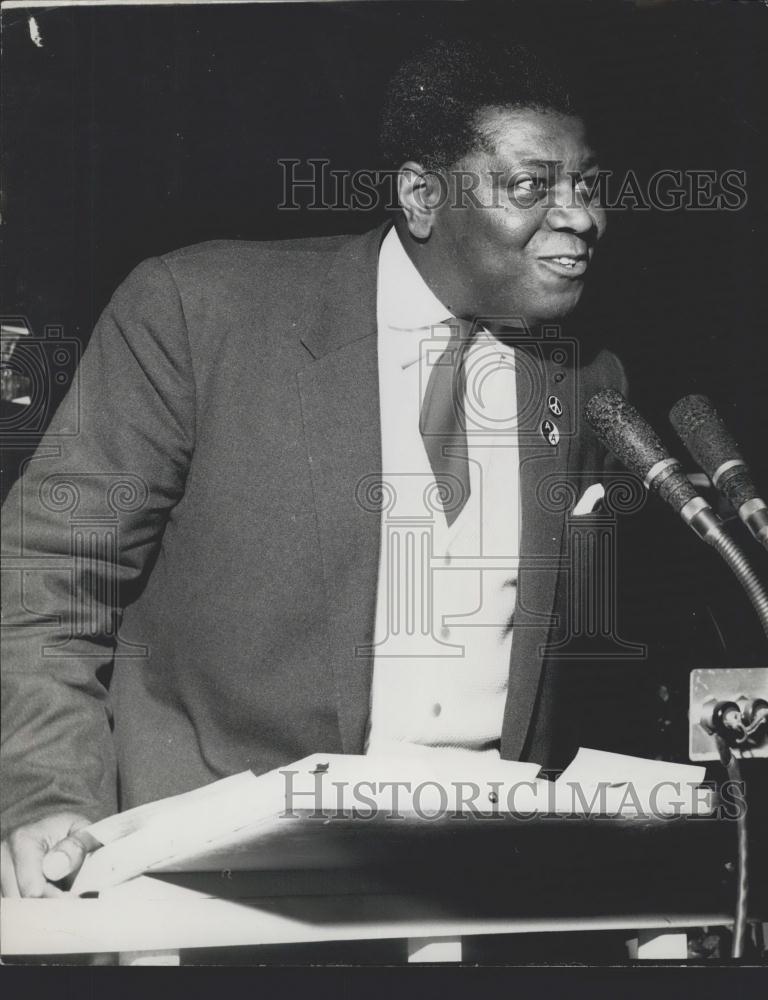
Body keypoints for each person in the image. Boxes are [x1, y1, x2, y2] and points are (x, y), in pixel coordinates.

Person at [1, 37, 626, 899]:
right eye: (531, 186)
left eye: (586, 186)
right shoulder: (197, 314)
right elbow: (44, 583)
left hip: (483, 891)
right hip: (204, 893)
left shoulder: (590, 380)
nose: (581, 217)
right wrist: (47, 796)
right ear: (420, 195)